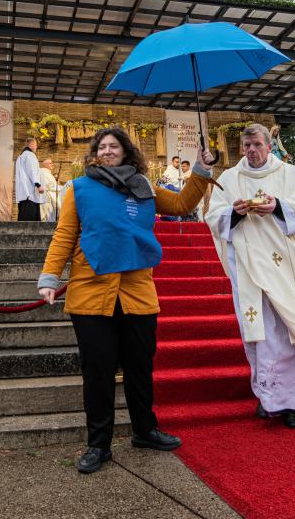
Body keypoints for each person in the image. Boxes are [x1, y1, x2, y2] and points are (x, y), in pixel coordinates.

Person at [38, 127, 216, 473]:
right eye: (102, 147)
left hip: (136, 291)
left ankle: (145, 430)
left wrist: (201, 169)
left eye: (113, 146)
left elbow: (182, 204)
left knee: (140, 366)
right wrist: (49, 276)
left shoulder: (144, 186)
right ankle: (98, 444)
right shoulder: (79, 188)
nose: (107, 151)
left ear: (126, 151)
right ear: (95, 154)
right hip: (91, 291)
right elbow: (65, 234)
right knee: (98, 371)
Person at [205, 123, 295, 429]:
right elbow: (214, 217)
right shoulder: (229, 179)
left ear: (269, 146)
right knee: (262, 335)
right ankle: (269, 398)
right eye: (246, 146)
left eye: (257, 145)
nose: (251, 151)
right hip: (249, 271)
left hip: (290, 270)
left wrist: (279, 206)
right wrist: (234, 213)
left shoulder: (293, 175)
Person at [15, 136, 44, 221]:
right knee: (30, 218)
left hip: (23, 191)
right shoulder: (30, 155)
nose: (36, 147)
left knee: (23, 215)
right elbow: (32, 171)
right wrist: (38, 185)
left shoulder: (21, 156)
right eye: (35, 145)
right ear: (31, 144)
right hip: (29, 192)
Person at [39, 157, 60, 223]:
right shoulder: (43, 173)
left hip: (49, 194)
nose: (52, 164)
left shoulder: (47, 173)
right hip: (46, 196)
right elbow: (49, 186)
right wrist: (60, 188)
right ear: (45, 165)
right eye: (50, 163)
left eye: (52, 163)